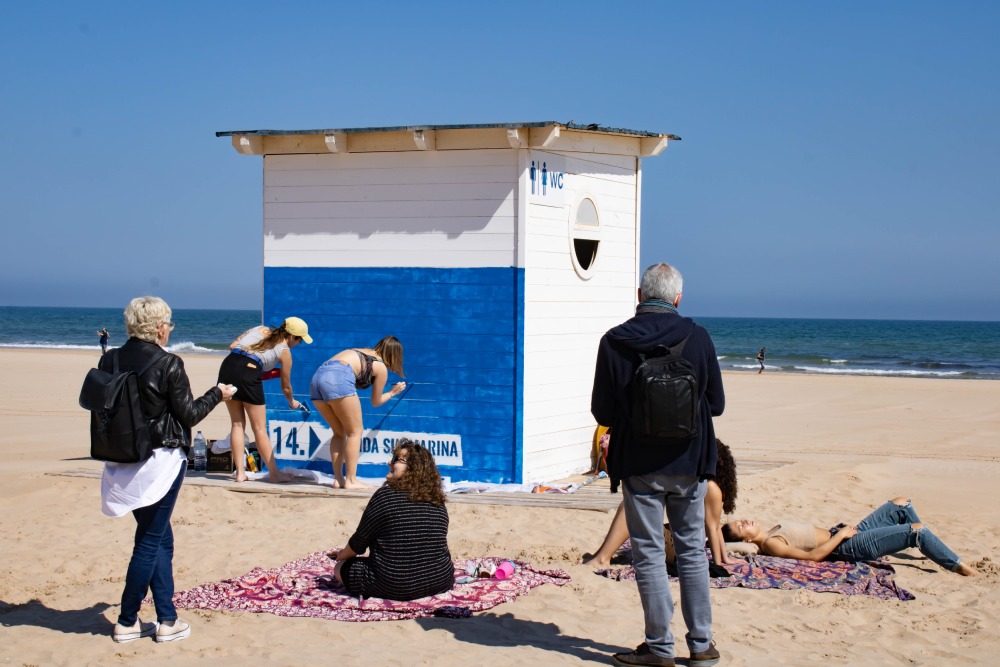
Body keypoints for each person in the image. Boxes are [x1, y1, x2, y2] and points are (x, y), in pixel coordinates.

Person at [592, 262, 725, 667]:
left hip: (639, 463)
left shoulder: (614, 342)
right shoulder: (698, 337)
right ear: (678, 299)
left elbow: (602, 410)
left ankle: (660, 647)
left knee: (648, 553)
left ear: (639, 294)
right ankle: (701, 645)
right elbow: (716, 404)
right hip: (690, 461)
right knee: (691, 552)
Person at [102, 297, 236, 643]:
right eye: (169, 325)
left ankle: (167, 619)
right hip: (159, 461)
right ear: (159, 327)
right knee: (149, 541)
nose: (169, 331)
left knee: (160, 537)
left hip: (121, 458)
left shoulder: (110, 358)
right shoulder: (168, 363)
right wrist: (218, 394)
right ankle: (128, 620)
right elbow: (189, 414)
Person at [722, 497, 979, 577]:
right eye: (741, 526)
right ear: (746, 540)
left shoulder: (773, 530)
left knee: (901, 503)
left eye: (741, 519)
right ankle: (959, 566)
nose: (745, 521)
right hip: (847, 547)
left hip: (843, 534)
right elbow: (813, 556)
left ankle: (921, 544)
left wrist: (838, 530)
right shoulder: (771, 544)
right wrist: (842, 535)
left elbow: (812, 536)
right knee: (916, 530)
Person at [583, 439, 738, 568]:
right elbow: (716, 527)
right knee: (631, 503)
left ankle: (603, 558)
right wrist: (724, 559)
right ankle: (601, 555)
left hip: (679, 548)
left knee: (634, 505)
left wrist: (718, 563)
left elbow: (713, 527)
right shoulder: (708, 484)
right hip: (681, 540)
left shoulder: (711, 487)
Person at [331, 438, 454, 601]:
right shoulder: (437, 500)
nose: (390, 462)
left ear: (413, 468)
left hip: (393, 585)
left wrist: (341, 555)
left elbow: (359, 543)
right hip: (440, 580)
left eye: (397, 459)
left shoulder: (385, 496)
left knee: (339, 569)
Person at [218, 317, 312, 483]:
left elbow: (233, 347)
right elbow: (286, 386)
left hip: (228, 367)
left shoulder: (259, 328)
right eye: (300, 340)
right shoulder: (285, 351)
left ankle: (240, 473)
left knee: (237, 424)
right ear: (291, 337)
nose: (298, 344)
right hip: (250, 372)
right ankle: (274, 474)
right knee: (259, 428)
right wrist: (292, 402)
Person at [310, 336, 406, 489]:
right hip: (339, 376)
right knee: (355, 431)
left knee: (339, 432)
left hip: (317, 378)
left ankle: (339, 479)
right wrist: (393, 392)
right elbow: (376, 402)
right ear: (395, 355)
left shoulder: (360, 351)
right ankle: (351, 480)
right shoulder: (379, 366)